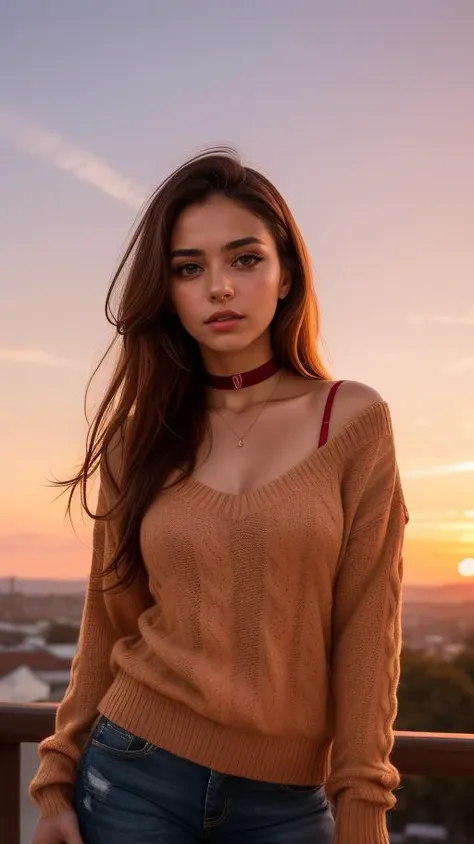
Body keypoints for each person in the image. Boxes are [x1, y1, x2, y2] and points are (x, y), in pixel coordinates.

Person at [30, 148, 408, 844]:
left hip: (286, 806)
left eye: (244, 259)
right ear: (167, 290)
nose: (220, 288)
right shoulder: (138, 442)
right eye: (188, 268)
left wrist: (363, 809)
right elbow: (108, 621)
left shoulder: (352, 420)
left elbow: (368, 625)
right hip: (130, 775)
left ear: (286, 272)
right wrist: (55, 784)